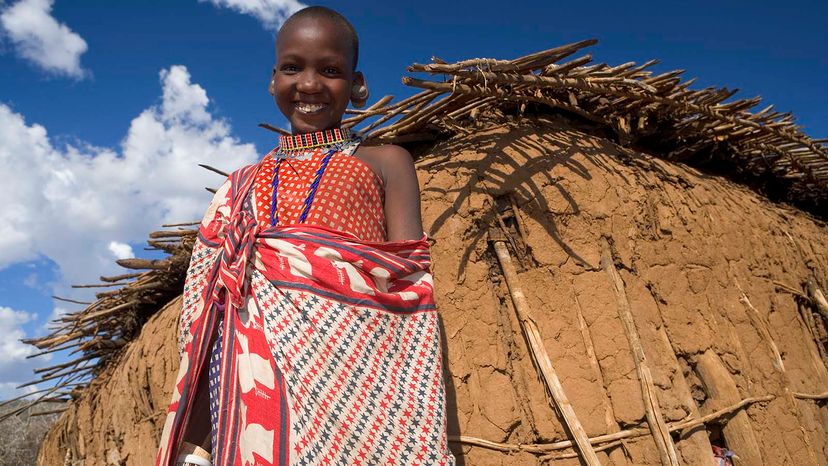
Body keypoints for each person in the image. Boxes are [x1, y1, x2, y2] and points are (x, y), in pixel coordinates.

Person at [156, 6, 455, 466]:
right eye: (293, 67)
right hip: (252, 375)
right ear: (272, 79)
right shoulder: (240, 184)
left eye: (330, 70)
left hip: (359, 373)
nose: (310, 84)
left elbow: (407, 282)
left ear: (357, 86)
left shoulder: (386, 161)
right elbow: (209, 307)